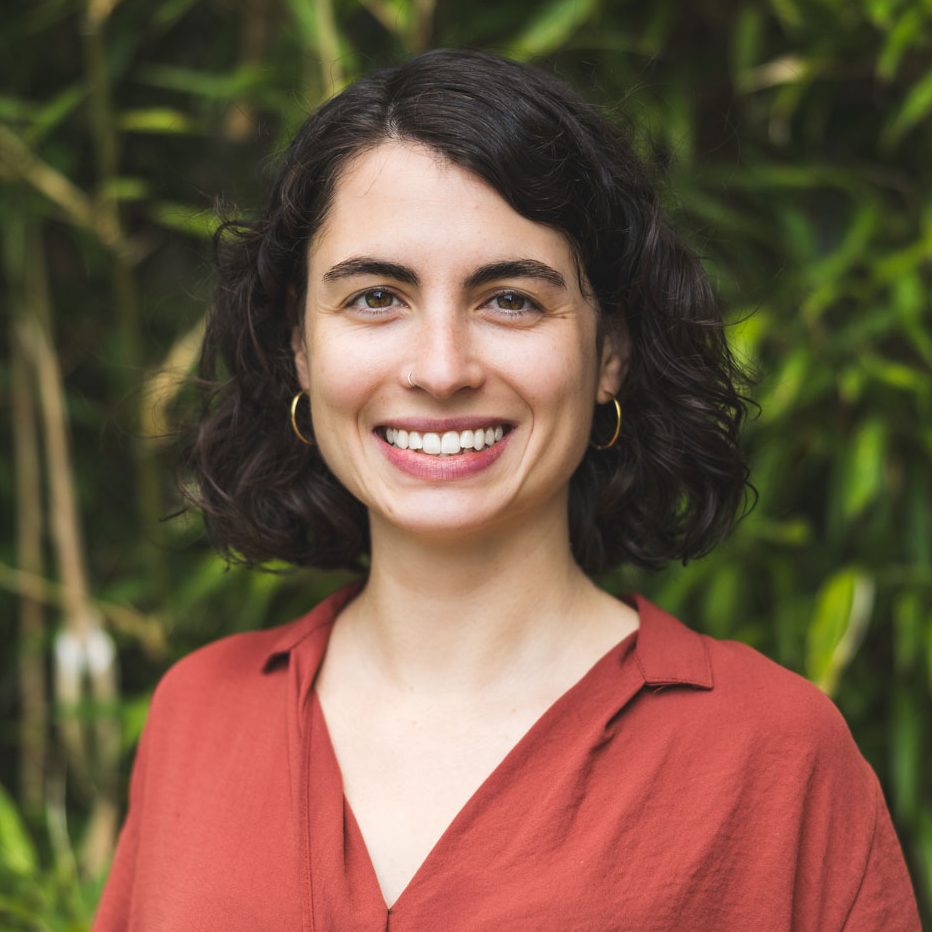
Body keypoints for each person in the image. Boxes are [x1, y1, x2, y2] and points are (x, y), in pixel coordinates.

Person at [94, 49, 921, 930]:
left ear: (611, 353)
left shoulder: (772, 754)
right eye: (376, 297)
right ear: (300, 347)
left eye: (511, 300)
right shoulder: (198, 716)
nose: (441, 369)